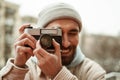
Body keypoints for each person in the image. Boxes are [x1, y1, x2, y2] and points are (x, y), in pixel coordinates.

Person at [0, 3, 106, 80]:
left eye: (72, 33)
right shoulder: (28, 69)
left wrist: (58, 73)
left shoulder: (92, 72)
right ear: (40, 35)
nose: (65, 43)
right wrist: (17, 68)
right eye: (57, 34)